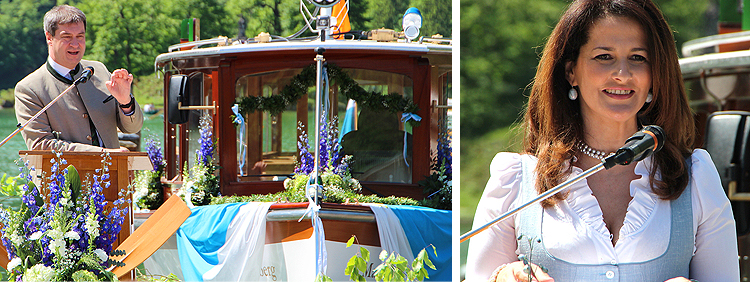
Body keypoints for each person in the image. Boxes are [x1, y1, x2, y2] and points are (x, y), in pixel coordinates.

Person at [465, 0, 739, 281]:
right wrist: (503, 276)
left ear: (655, 75)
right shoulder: (515, 181)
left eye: (638, 58)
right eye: (604, 57)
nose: (622, 74)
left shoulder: (697, 178)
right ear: (571, 71)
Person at [14, 5, 143, 152]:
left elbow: (133, 127)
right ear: (49, 37)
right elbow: (41, 146)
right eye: (67, 37)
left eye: (80, 37)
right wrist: (105, 154)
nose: (75, 44)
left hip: (113, 173)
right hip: (64, 175)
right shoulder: (29, 88)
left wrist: (125, 102)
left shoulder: (99, 70)